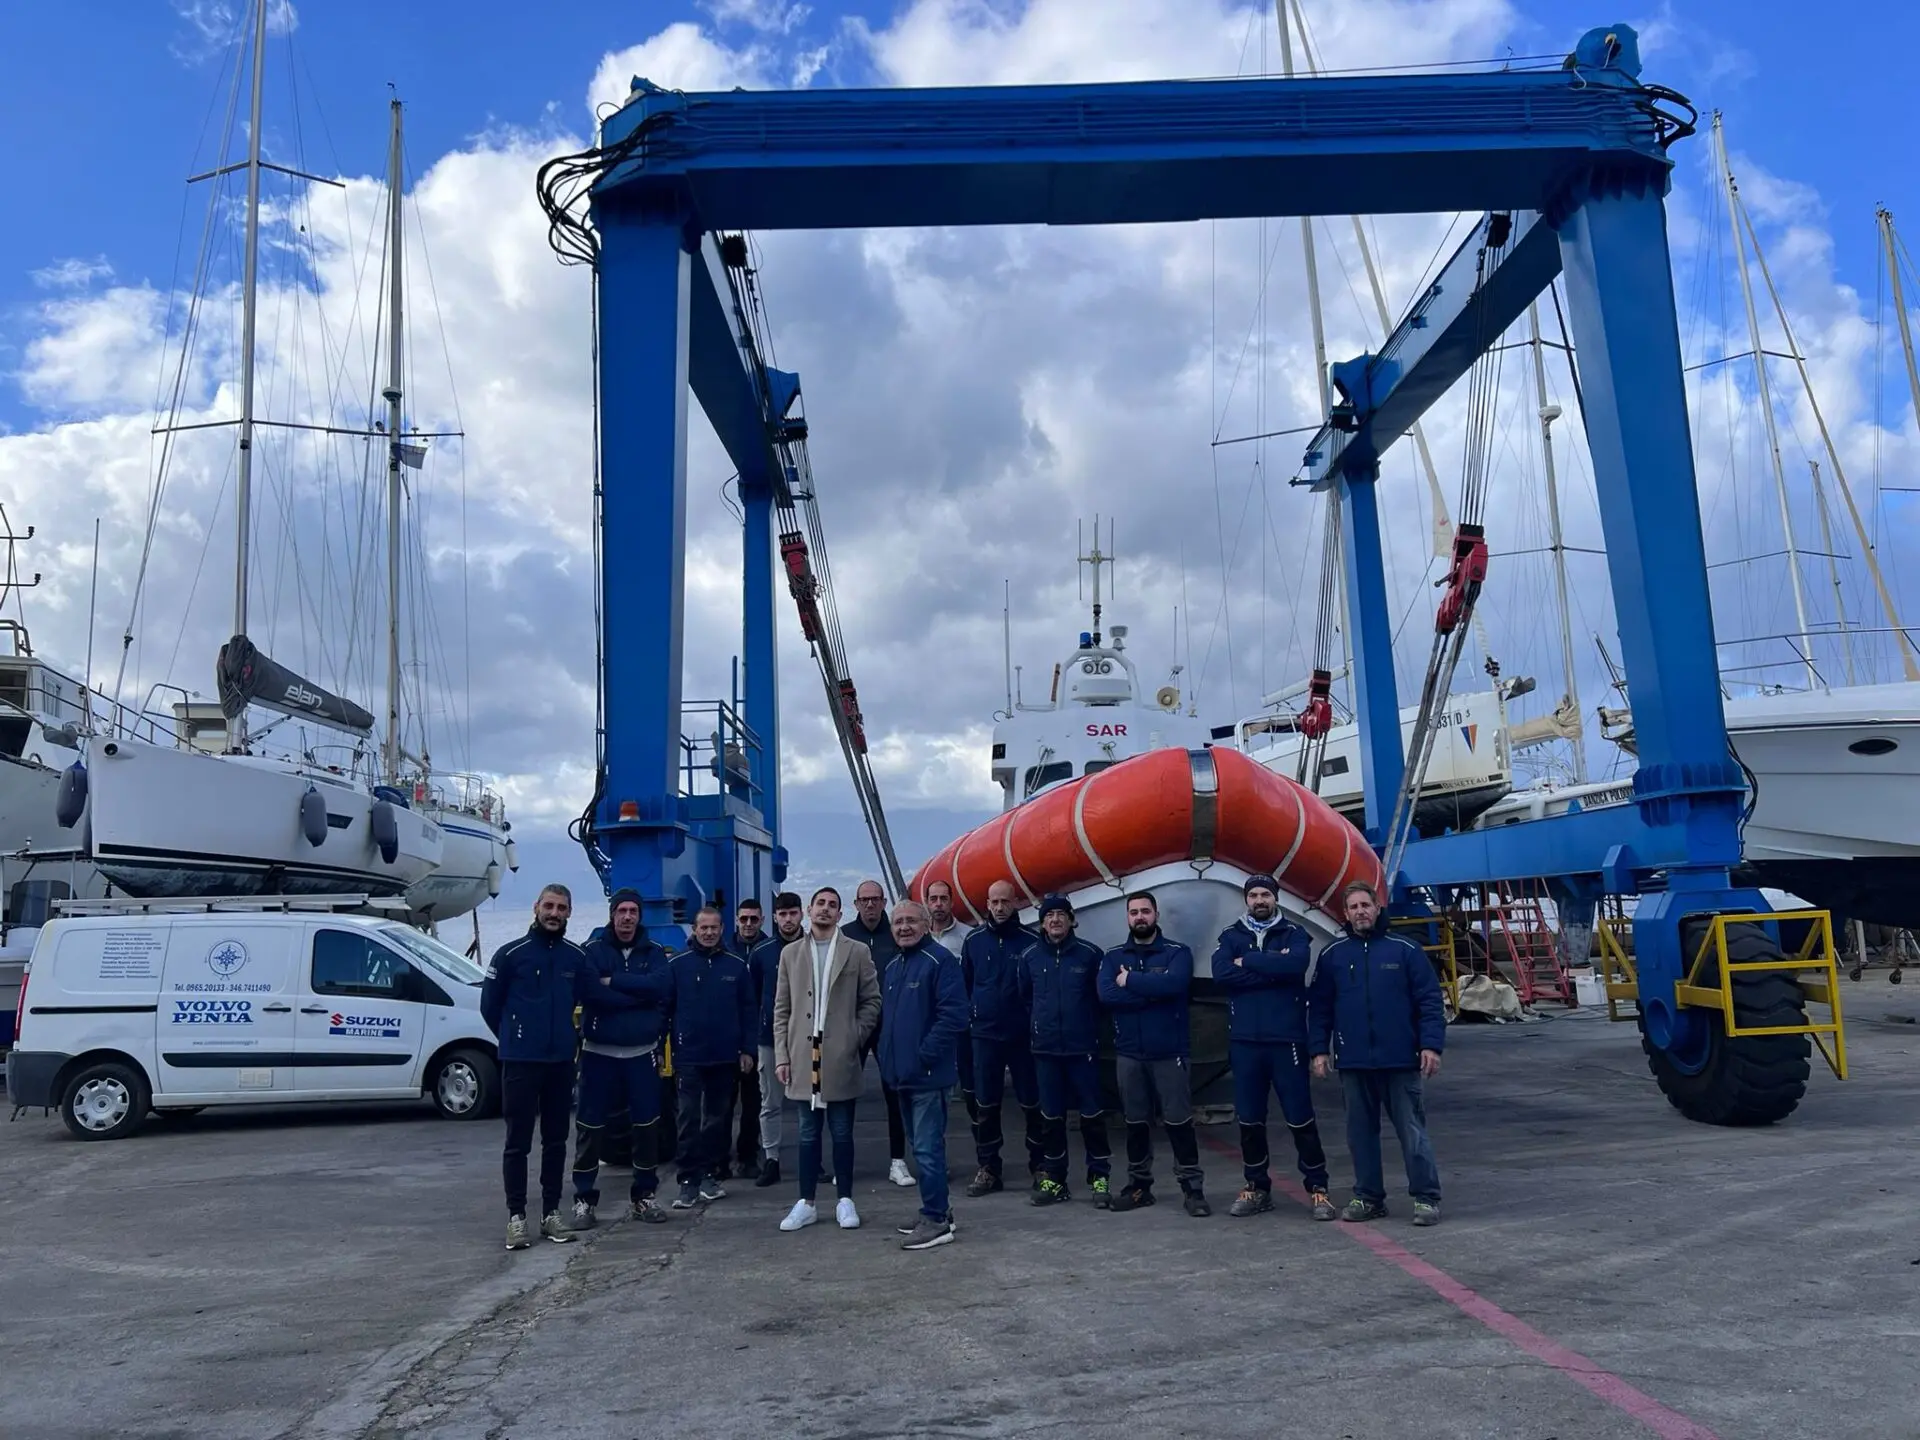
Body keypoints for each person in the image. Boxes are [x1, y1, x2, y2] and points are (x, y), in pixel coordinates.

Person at [1309, 880, 1448, 1226]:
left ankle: (1426, 1198)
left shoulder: (1405, 951)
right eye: (1353, 907)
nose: (1360, 912)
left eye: (1365, 905)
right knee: (1360, 1135)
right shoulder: (1333, 956)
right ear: (1346, 913)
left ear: (1377, 908)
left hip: (1401, 1060)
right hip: (1354, 1062)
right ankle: (1369, 1197)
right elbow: (1320, 1008)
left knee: (1413, 1133)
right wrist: (1318, 1051)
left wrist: (1431, 1045)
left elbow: (1429, 1001)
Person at [1211, 875, 1336, 1221]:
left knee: (1300, 1117)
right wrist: (1270, 967)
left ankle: (1318, 1187)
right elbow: (1220, 973)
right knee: (1250, 1119)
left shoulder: (1295, 934)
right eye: (1253, 895)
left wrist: (1247, 961)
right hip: (1246, 1042)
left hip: (1287, 1041)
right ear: (1246, 900)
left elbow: (1295, 965)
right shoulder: (1230, 935)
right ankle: (1256, 1186)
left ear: (1276, 898)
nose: (1259, 900)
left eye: (1265, 894)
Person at [480, 883, 586, 1250]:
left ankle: (551, 1214)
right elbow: (489, 1008)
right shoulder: (511, 955)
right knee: (517, 1143)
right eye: (549, 906)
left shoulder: (575, 957)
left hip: (560, 1064)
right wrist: (516, 1037)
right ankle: (516, 1217)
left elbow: (595, 997)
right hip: (521, 1062)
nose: (554, 913)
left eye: (561, 908)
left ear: (569, 913)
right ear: (536, 907)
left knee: (556, 1141)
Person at [774, 887, 882, 1232]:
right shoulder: (791, 954)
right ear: (809, 909)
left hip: (839, 1054)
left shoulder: (857, 952)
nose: (825, 909)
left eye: (832, 905)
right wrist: (782, 1055)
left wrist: (854, 1035)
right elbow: (782, 1009)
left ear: (840, 914)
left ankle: (845, 1199)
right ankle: (806, 1202)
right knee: (807, 1133)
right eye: (820, 903)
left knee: (841, 1131)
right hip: (803, 1054)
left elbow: (872, 1000)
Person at [1097, 890, 1209, 1216]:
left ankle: (1192, 1188)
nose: (1140, 917)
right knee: (1135, 1123)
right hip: (1130, 1054)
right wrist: (1151, 991)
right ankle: (1139, 1186)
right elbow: (1107, 996)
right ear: (1128, 918)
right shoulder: (1113, 956)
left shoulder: (1177, 953)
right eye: (1134, 912)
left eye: (1145, 911)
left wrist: (1129, 980)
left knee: (1179, 1122)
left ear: (1156, 915)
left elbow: (1175, 986)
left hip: (1169, 1053)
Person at [572, 887, 673, 1227]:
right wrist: (638, 995)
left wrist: (615, 981)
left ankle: (644, 1196)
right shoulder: (593, 951)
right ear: (612, 914)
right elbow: (592, 994)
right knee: (590, 1127)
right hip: (598, 1054)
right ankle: (584, 1199)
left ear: (639, 915)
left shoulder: (655, 952)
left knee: (646, 1125)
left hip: (641, 1055)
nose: (627, 917)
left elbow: (661, 988)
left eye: (633, 910)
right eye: (621, 911)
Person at [878, 900, 969, 1250]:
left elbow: (954, 1016)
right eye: (898, 922)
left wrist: (923, 1057)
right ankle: (938, 1210)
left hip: (927, 1076)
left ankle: (935, 1221)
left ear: (926, 923)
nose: (904, 927)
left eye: (911, 921)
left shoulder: (940, 962)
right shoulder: (895, 966)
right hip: (901, 1076)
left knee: (928, 1150)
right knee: (920, 1147)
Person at [1017, 894, 1113, 1207]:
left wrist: (1085, 1029)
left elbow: (1100, 1001)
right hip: (1045, 1051)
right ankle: (1056, 1179)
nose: (1055, 920)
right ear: (1042, 922)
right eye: (1049, 915)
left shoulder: (1089, 955)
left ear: (1071, 919)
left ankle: (1099, 1176)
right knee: (1051, 1117)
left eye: (1061, 914)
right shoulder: (1030, 956)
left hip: (1081, 1049)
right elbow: (1026, 997)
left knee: (1092, 1115)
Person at [666, 906, 757, 1210]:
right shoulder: (677, 965)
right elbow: (665, 1009)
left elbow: (748, 1010)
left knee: (718, 1120)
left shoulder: (735, 965)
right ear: (693, 929)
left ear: (721, 929)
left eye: (714, 927)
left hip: (724, 1056)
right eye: (702, 927)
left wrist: (747, 1049)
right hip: (688, 1056)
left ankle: (710, 1174)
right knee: (688, 1118)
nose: (708, 932)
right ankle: (687, 1181)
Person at [960, 881, 1045, 1197]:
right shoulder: (974, 941)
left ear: (1015, 903)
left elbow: (1039, 988)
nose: (999, 907)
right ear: (987, 903)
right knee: (986, 1104)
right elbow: (966, 985)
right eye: (994, 902)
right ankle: (989, 1168)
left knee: (1031, 1103)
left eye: (1004, 901)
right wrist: (973, 1016)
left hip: (1022, 1036)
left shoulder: (1031, 942)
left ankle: (1039, 1165)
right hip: (984, 1035)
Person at [845, 878, 913, 1188]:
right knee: (843, 1094)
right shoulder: (844, 936)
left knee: (895, 1095)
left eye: (875, 899)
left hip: (890, 1028)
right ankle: (842, 1164)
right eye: (864, 900)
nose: (870, 904)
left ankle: (898, 1162)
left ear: (884, 902)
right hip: (854, 1026)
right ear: (856, 904)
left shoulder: (897, 934)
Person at [746, 892, 804, 1188]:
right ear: (775, 917)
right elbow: (753, 997)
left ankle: (813, 1158)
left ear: (801, 914)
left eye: (793, 913)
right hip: (770, 1038)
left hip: (808, 1038)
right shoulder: (761, 952)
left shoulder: (815, 947)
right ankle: (772, 1159)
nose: (788, 919)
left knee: (814, 1100)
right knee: (770, 1101)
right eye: (783, 914)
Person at [725, 897, 768, 1179]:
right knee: (723, 1104)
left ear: (762, 920)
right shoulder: (724, 949)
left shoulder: (768, 950)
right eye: (744, 919)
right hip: (726, 1036)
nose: (749, 924)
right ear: (736, 921)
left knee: (753, 1103)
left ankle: (748, 1155)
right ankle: (719, 1157)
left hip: (756, 1035)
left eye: (754, 919)